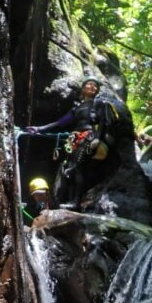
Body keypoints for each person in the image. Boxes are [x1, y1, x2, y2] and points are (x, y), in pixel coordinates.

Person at [26, 76, 112, 208]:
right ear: (83, 88)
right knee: (69, 169)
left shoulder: (99, 104)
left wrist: (97, 138)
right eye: (90, 84)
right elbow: (60, 122)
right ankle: (69, 200)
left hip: (88, 137)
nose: (93, 87)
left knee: (77, 168)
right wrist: (39, 129)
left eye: (95, 86)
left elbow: (102, 122)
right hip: (76, 138)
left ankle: (75, 202)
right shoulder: (77, 107)